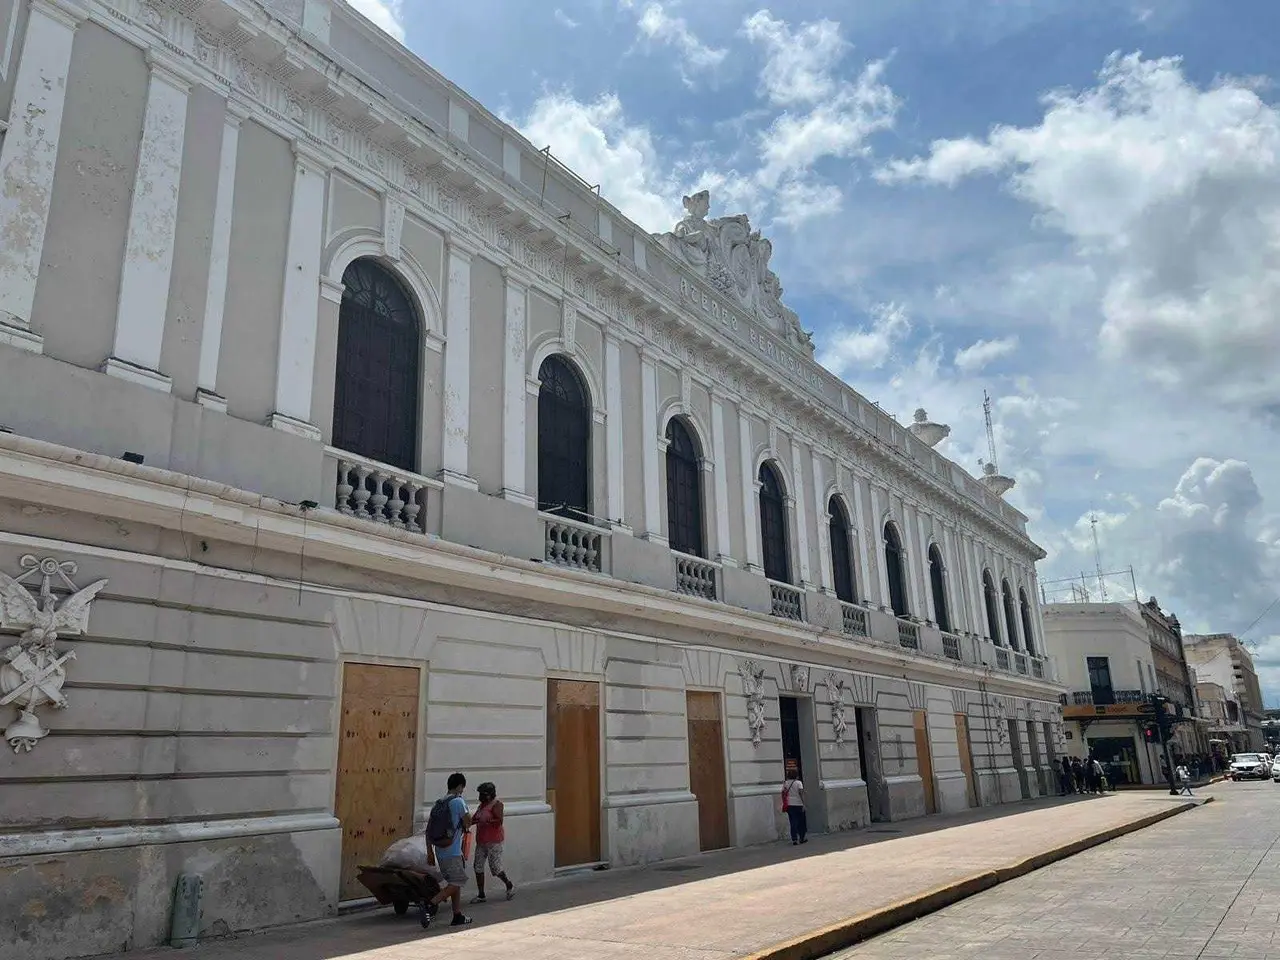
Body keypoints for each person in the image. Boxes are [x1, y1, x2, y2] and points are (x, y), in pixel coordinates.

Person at [425, 772, 473, 928]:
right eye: (463, 788)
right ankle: (430, 904)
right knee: (457, 882)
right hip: (452, 851)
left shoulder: (438, 803)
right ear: (460, 786)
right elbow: (468, 822)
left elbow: (429, 831)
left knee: (455, 881)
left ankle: (457, 915)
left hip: (440, 850)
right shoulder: (458, 802)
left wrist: (430, 852)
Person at [470, 781, 515, 904]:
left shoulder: (497, 804)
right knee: (477, 866)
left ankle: (508, 884)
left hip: (494, 841)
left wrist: (487, 821)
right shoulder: (481, 806)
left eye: (482, 794)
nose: (479, 797)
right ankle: (481, 894)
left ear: (489, 795)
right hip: (481, 840)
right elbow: (474, 819)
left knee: (495, 867)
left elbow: (499, 820)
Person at [781, 774, 806, 844]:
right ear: (796, 776)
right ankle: (801, 838)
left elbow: (783, 792)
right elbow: (801, 793)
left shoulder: (786, 783)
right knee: (801, 822)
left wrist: (784, 802)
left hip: (789, 804)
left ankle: (794, 839)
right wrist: (804, 803)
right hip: (798, 804)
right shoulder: (799, 783)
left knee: (792, 822)